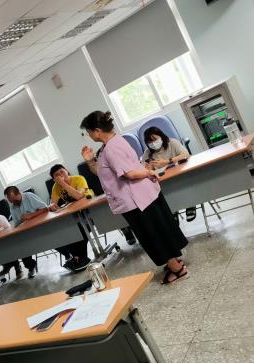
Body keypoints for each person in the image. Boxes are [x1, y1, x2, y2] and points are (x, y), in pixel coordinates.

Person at [80, 110, 189, 284]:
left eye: (89, 132)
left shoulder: (111, 148)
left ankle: (178, 270)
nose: (89, 136)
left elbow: (129, 174)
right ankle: (175, 261)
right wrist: (90, 161)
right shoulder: (112, 143)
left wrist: (147, 172)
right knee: (161, 228)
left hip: (136, 200)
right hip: (141, 195)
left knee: (153, 234)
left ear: (98, 131)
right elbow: (102, 171)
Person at [142, 126, 196, 221]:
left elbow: (185, 154)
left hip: (180, 176)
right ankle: (173, 209)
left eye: (154, 139)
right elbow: (143, 168)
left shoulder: (172, 142)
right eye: (149, 142)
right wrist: (148, 168)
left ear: (161, 136)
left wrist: (167, 161)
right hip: (163, 180)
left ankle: (190, 204)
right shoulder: (147, 153)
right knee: (164, 191)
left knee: (182, 185)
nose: (152, 143)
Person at [48, 164, 93, 271]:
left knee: (80, 229)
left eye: (62, 172)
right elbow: (53, 203)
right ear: (54, 179)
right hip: (74, 215)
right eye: (56, 175)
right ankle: (79, 259)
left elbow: (78, 196)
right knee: (65, 231)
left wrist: (63, 183)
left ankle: (79, 258)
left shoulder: (78, 179)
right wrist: (52, 206)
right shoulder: (55, 187)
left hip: (89, 211)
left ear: (67, 171)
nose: (60, 175)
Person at [2, 187, 49, 278]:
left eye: (14, 200)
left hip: (41, 228)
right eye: (11, 201)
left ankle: (68, 256)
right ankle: (31, 267)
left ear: (18, 193)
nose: (13, 203)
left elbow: (45, 208)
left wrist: (31, 215)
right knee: (21, 247)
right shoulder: (13, 207)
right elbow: (17, 224)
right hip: (28, 233)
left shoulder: (29, 197)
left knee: (54, 239)